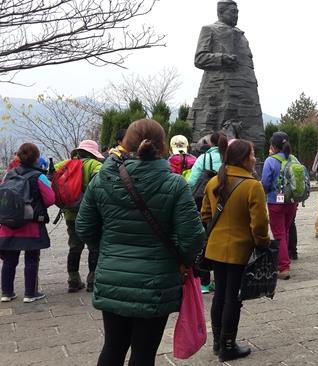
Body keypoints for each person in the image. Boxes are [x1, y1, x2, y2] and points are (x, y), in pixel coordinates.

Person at [76, 119, 205, 366]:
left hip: (112, 277)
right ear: (163, 146)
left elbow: (84, 227)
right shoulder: (174, 184)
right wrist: (180, 258)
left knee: (113, 347)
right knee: (144, 353)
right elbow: (194, 237)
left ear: (125, 144)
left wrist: (109, 250)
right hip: (156, 283)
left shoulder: (103, 179)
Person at [201, 138, 269, 362]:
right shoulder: (252, 186)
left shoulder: (213, 182)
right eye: (251, 154)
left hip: (215, 249)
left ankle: (217, 342)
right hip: (240, 251)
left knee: (219, 294)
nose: (254, 158)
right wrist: (261, 243)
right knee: (233, 298)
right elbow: (259, 224)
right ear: (242, 158)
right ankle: (228, 346)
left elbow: (205, 216)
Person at [188, 0, 265, 155]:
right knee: (217, 132)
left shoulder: (241, 35)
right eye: (232, 12)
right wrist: (222, 58)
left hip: (246, 95)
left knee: (251, 137)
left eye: (237, 12)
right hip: (219, 91)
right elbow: (199, 59)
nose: (236, 15)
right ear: (221, 13)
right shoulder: (209, 29)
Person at [0, 143, 55, 303]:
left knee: (10, 260)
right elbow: (50, 199)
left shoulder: (8, 175)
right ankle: (30, 293)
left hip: (9, 224)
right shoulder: (39, 177)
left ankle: (6, 293)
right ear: (36, 158)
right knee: (31, 258)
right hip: (31, 225)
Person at [55, 140, 104, 293]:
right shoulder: (94, 165)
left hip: (70, 213)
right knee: (94, 247)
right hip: (91, 215)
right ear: (93, 153)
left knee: (74, 247)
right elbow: (101, 184)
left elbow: (51, 176)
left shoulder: (64, 164)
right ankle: (92, 281)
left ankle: (73, 280)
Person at [187, 132, 224, 294]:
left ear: (210, 143)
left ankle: (204, 281)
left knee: (203, 239)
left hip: (203, 202)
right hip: (223, 201)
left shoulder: (203, 159)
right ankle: (220, 278)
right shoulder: (227, 158)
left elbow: (192, 182)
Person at [261, 132, 299, 280]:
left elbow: (265, 183)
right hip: (292, 201)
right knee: (286, 230)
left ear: (272, 146)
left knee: (279, 234)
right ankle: (285, 259)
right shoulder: (294, 159)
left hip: (275, 202)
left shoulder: (270, 161)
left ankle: (283, 267)